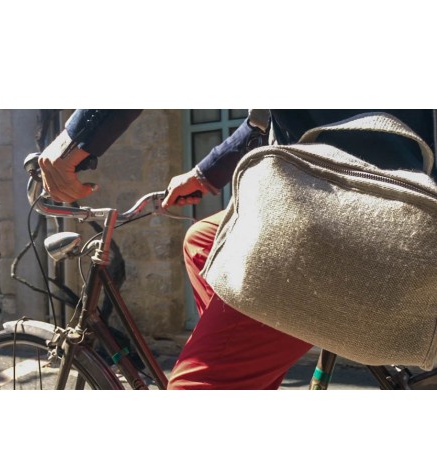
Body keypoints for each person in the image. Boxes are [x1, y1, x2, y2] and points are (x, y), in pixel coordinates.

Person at [39, 109, 436, 390]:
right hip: (365, 212)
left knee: (195, 387)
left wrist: (77, 138)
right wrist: (203, 174)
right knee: (202, 240)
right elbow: (265, 118)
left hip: (336, 226)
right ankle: (248, 372)